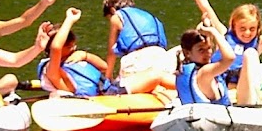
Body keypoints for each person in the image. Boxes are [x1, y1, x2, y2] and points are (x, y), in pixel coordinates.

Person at [38, 7, 172, 97]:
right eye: (70, 46)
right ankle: (192, 87)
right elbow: (56, 48)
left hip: (108, 90)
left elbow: (105, 67)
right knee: (156, 75)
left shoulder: (73, 59)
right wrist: (69, 20)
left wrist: (86, 56)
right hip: (109, 95)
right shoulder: (51, 69)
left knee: (152, 77)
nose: (74, 48)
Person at [101, 0, 173, 90]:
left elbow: (112, 52)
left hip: (138, 61)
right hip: (162, 58)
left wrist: (108, 78)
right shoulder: (149, 15)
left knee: (115, 87)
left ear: (112, 10)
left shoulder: (116, 16)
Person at [175, 17, 238, 106]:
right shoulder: (204, 72)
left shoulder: (183, 68)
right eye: (201, 50)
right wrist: (213, 32)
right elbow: (230, 57)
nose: (207, 53)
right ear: (187, 53)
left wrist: (207, 28)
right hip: (215, 118)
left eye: (209, 48)